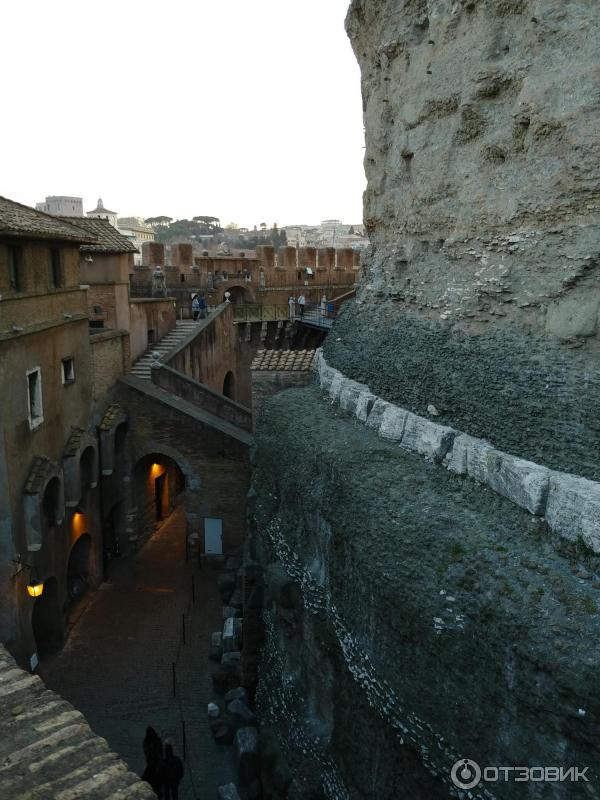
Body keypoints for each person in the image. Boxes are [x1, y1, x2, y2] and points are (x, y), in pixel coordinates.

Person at [142, 727, 163, 797]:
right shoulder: (147, 742)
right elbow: (147, 751)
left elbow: (160, 751)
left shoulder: (157, 740)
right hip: (151, 763)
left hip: (157, 763)